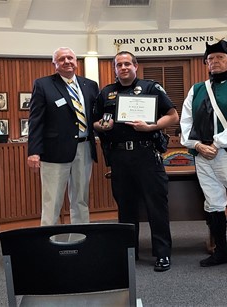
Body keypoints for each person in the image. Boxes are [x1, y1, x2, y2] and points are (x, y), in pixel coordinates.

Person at [93, 51, 179, 272]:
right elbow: (95, 121)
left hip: (147, 155)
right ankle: (130, 253)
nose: (123, 67)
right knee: (126, 208)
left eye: (127, 64)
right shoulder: (106, 92)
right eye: (119, 64)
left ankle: (162, 254)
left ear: (135, 66)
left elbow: (172, 115)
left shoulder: (151, 88)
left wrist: (152, 126)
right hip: (120, 158)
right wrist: (102, 126)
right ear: (114, 68)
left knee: (156, 207)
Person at [180, 40, 227, 273]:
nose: (214, 62)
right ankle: (221, 251)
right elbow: (186, 121)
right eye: (210, 59)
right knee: (213, 203)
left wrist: (217, 143)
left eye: (219, 58)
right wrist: (196, 145)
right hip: (203, 155)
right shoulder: (197, 89)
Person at [27, 47, 99, 226]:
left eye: (70, 58)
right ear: (55, 65)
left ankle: (81, 239)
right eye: (61, 59)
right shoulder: (43, 84)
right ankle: (47, 245)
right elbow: (36, 121)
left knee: (81, 200)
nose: (67, 61)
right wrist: (34, 152)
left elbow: (95, 115)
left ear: (76, 62)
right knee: (52, 202)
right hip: (54, 152)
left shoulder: (90, 85)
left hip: (84, 149)